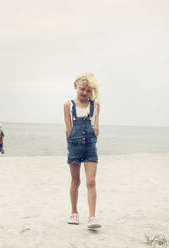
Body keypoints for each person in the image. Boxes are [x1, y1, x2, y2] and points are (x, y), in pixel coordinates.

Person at [63, 72, 101, 229]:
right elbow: (68, 129)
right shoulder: (68, 105)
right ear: (75, 86)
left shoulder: (95, 105)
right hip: (74, 146)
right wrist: (71, 146)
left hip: (90, 146)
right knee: (76, 181)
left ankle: (92, 217)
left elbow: (96, 126)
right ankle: (74, 211)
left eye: (88, 90)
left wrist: (94, 137)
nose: (85, 93)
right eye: (82, 89)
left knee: (91, 181)